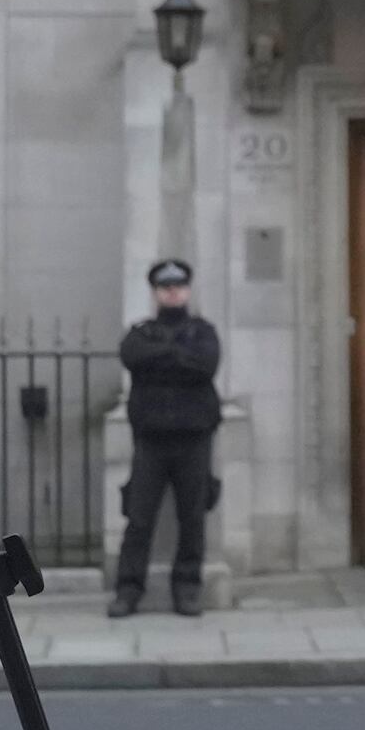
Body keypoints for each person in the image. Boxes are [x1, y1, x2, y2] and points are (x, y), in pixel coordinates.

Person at [112, 257, 221, 619]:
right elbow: (131, 356)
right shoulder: (141, 332)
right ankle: (128, 590)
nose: (172, 292)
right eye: (165, 287)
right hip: (151, 440)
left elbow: (205, 365)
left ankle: (187, 589)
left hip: (193, 438)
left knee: (192, 517)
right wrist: (178, 358)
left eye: (177, 286)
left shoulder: (203, 332)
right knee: (139, 518)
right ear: (156, 292)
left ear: (187, 290)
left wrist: (161, 362)